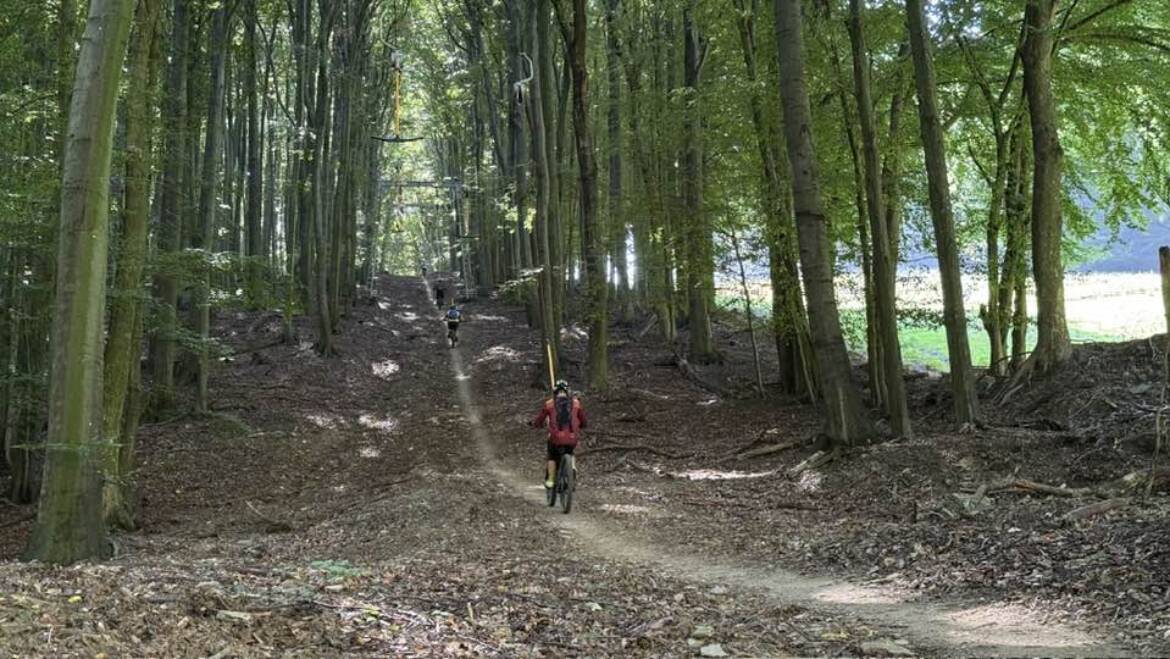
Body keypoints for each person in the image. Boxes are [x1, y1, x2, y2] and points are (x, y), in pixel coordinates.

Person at [531, 380, 587, 489]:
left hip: (556, 438)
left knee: (552, 456)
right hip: (572, 437)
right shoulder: (576, 403)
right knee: (570, 452)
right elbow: (583, 421)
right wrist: (581, 425)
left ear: (555, 392)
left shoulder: (549, 404)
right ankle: (572, 470)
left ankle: (551, 480)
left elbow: (539, 420)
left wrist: (536, 424)